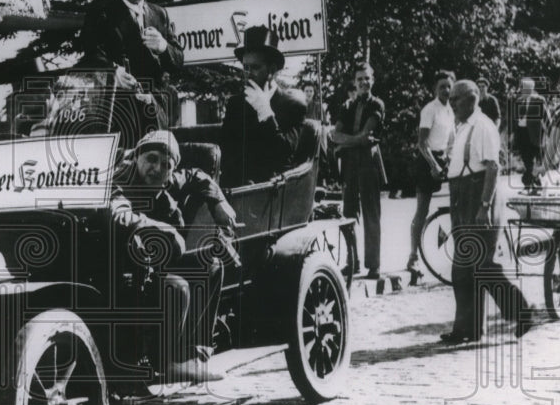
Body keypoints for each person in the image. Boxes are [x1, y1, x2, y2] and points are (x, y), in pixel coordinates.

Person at [111, 131, 237, 384]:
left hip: (155, 259)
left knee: (211, 265)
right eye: (151, 158)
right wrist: (159, 226)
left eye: (166, 165)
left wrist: (218, 201)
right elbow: (117, 206)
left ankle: (195, 353)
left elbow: (197, 176)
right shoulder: (121, 178)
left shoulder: (167, 181)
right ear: (136, 158)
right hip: (122, 268)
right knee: (176, 287)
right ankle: (169, 362)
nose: (157, 168)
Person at [441, 80, 534, 343]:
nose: (452, 104)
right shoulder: (464, 127)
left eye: (456, 100)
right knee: (462, 269)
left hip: (478, 198)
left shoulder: (483, 126)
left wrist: (483, 206)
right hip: (462, 197)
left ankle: (521, 311)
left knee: (482, 266)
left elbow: (493, 168)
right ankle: (467, 329)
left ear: (471, 99)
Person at [78, 0, 182, 146]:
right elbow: (90, 55)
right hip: (120, 113)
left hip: (156, 112)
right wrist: (112, 73)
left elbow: (179, 60)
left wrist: (163, 47)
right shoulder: (102, 12)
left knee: (156, 168)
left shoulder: (159, 14)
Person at [220, 25, 311, 187]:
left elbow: (284, 154)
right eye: (245, 67)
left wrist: (266, 113)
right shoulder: (236, 104)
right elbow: (227, 153)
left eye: (255, 67)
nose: (248, 74)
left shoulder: (292, 106)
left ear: (272, 70)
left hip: (274, 192)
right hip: (240, 190)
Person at [331, 62, 385, 279]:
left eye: (367, 78)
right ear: (354, 82)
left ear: (373, 80)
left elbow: (367, 135)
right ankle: (352, 262)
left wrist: (346, 142)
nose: (363, 82)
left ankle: (374, 265)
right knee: (348, 214)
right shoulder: (347, 107)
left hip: (368, 163)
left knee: (371, 213)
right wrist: (351, 142)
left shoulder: (377, 105)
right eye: (359, 79)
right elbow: (335, 135)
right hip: (350, 165)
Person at [407, 71, 456, 278]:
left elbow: (452, 139)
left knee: (457, 205)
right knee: (422, 210)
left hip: (444, 159)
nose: (446, 90)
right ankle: (413, 257)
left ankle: (459, 253)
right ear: (435, 89)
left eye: (448, 86)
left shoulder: (451, 110)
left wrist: (450, 158)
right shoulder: (430, 109)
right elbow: (422, 142)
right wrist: (434, 165)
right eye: (442, 86)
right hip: (428, 162)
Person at [513, 77, 545, 189]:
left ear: (530, 89)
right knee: (526, 159)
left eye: (524, 88)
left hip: (534, 134)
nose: (522, 90)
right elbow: (515, 120)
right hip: (522, 133)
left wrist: (549, 131)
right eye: (522, 88)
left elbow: (546, 116)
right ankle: (533, 179)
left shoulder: (539, 100)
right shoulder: (519, 101)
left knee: (533, 159)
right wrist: (513, 134)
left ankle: (528, 181)